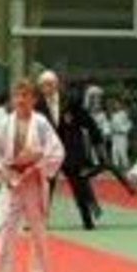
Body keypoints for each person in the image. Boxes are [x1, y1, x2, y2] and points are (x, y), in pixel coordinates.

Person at [0, 80, 64, 272]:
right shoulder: (3, 124)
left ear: (34, 100)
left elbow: (57, 152)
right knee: (4, 228)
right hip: (10, 181)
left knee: (37, 231)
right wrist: (5, 171)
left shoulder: (41, 123)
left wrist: (37, 164)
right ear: (12, 99)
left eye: (26, 96)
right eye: (17, 96)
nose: (21, 100)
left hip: (33, 183)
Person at [36, 70, 103, 230]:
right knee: (45, 188)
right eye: (45, 85)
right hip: (49, 153)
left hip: (71, 151)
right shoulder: (38, 106)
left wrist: (98, 144)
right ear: (41, 87)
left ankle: (87, 220)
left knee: (79, 186)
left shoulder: (70, 102)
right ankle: (39, 221)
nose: (48, 87)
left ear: (57, 85)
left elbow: (89, 123)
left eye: (51, 84)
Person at [109, 98, 133, 169]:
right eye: (115, 104)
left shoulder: (124, 113)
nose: (116, 105)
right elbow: (111, 125)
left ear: (121, 105)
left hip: (122, 136)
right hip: (114, 136)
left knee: (122, 152)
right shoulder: (113, 115)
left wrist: (124, 130)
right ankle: (115, 167)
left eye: (118, 104)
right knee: (114, 152)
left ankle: (126, 166)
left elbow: (129, 124)